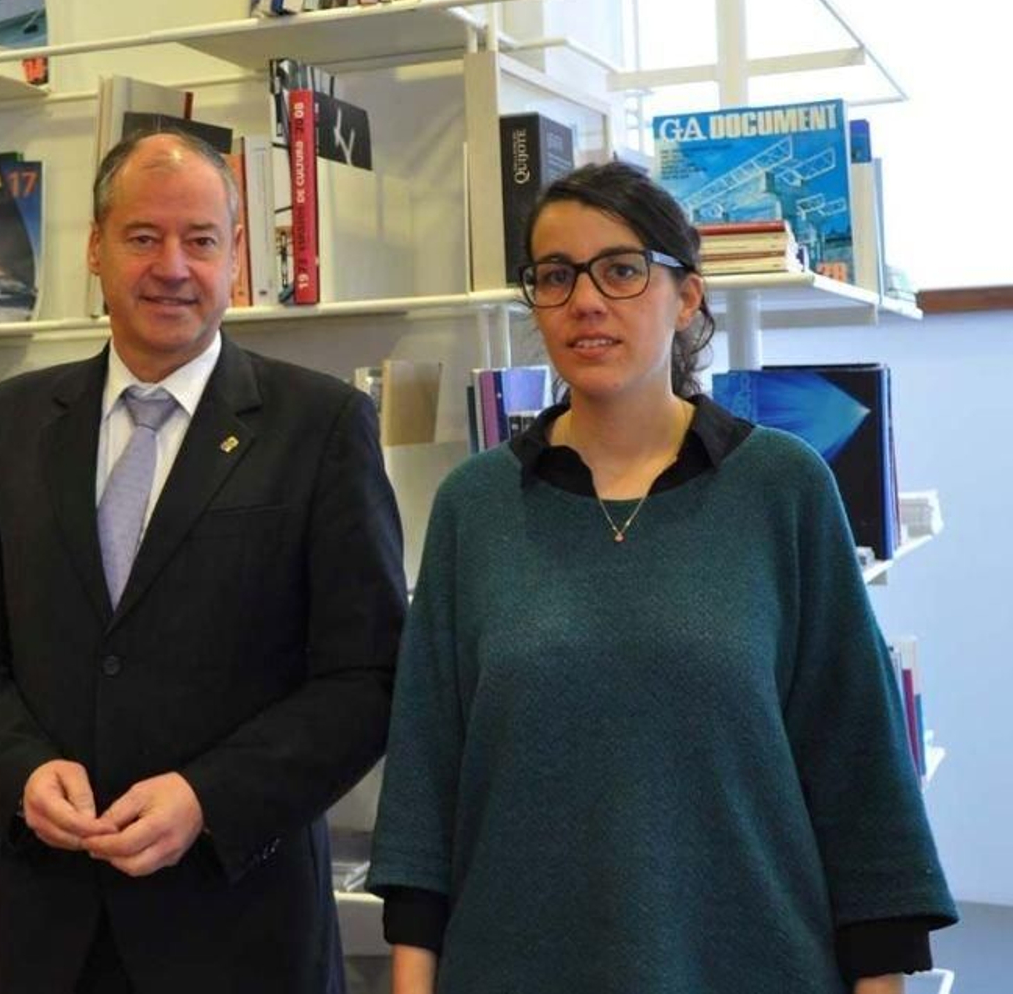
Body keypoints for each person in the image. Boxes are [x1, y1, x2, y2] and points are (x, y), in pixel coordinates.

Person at [367, 162, 957, 994]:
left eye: (622, 269)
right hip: (515, 963)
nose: (586, 301)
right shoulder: (477, 505)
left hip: (752, 961)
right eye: (556, 275)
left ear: (686, 299)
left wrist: (880, 978)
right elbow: (427, 773)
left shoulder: (782, 489)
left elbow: (858, 761)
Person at [0, 130, 406, 994]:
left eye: (201, 240)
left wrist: (208, 798)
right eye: (143, 238)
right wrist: (19, 769)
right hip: (45, 929)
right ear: (96, 250)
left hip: (239, 928)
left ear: (235, 256)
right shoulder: (14, 422)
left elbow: (366, 678)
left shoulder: (320, 426)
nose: (172, 266)